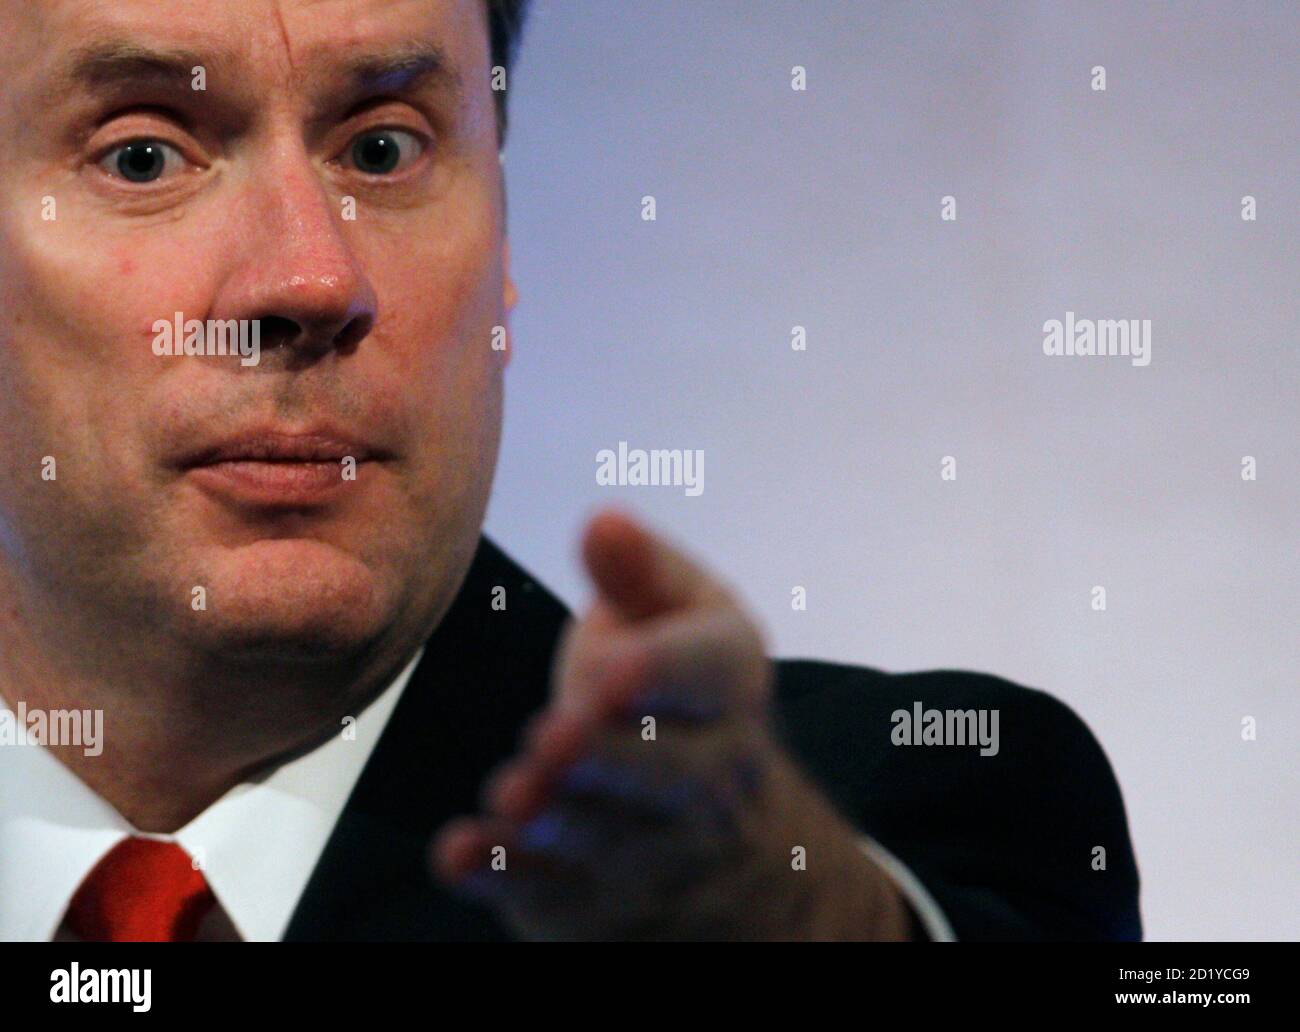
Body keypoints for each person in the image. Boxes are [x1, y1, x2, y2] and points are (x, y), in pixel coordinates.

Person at [0, 0, 1140, 941]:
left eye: (383, 148)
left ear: (502, 250)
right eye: (143, 154)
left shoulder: (880, 806)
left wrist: (796, 919)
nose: (312, 280)